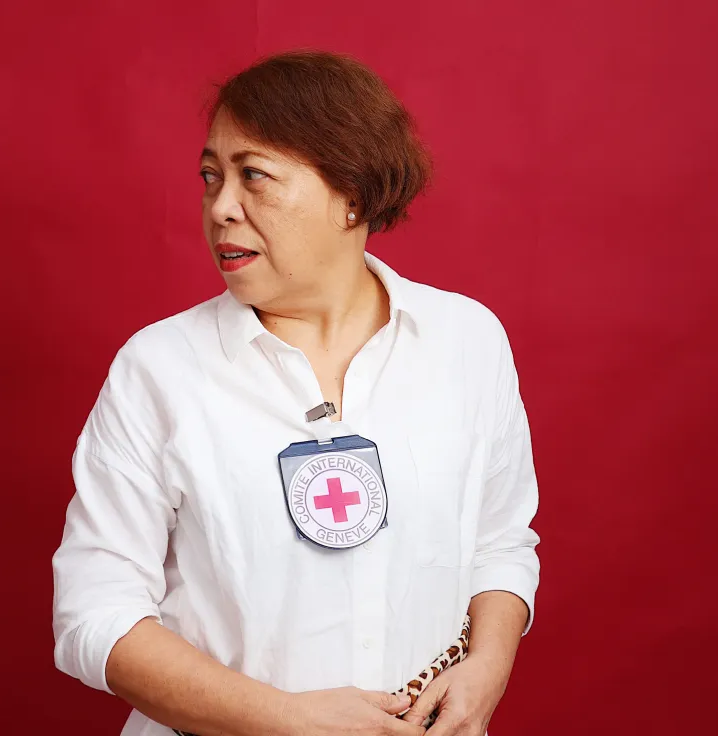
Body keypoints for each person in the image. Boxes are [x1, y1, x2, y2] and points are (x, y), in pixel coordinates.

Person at [51, 50, 541, 736]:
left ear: (353, 194)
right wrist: (282, 720)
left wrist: (489, 665)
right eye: (211, 178)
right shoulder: (159, 369)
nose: (221, 208)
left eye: (254, 176)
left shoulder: (466, 341)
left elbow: (500, 541)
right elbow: (94, 615)